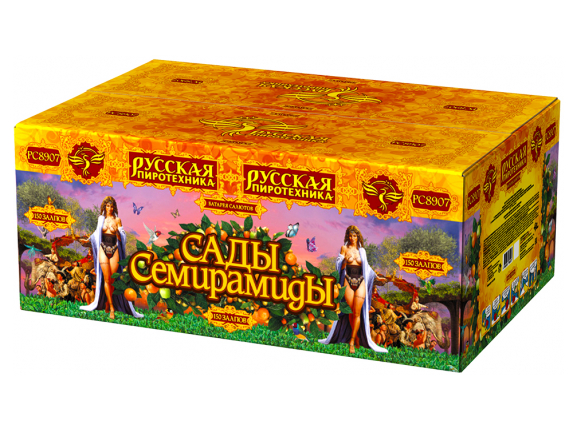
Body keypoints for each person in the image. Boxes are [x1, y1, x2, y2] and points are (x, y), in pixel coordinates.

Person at [319, 225, 388, 353]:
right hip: (348, 279)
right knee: (350, 311)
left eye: (354, 236)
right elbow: (338, 265)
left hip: (360, 281)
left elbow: (367, 268)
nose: (352, 238)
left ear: (358, 237)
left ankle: (352, 340)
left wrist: (377, 277)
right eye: (350, 236)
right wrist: (344, 261)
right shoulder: (344, 248)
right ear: (348, 236)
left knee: (357, 312)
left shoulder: (362, 251)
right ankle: (355, 336)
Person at [79, 196, 142, 319]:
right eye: (108, 206)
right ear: (105, 207)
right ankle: (112, 307)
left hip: (114, 249)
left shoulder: (118, 220)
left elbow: (122, 238)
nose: (110, 208)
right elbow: (96, 234)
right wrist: (87, 240)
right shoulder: (101, 219)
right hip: (103, 248)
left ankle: (108, 301)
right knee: (106, 279)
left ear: (114, 207)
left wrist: (117, 232)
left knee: (112, 280)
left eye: (112, 206)